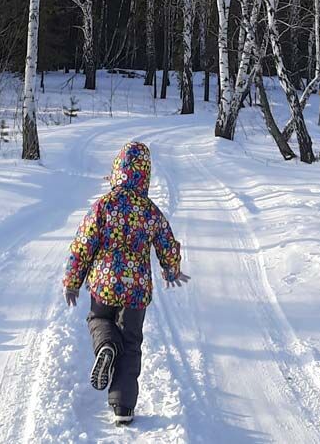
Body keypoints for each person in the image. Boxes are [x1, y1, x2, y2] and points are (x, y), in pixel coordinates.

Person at [62, 141, 189, 426]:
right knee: (131, 343)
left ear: (118, 170)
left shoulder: (104, 205)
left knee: (98, 319)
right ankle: (123, 406)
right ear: (145, 175)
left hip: (104, 283)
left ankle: (106, 345)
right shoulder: (149, 210)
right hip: (136, 289)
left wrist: (72, 281)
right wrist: (172, 270)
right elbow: (166, 242)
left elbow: (83, 244)